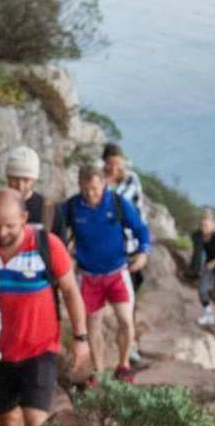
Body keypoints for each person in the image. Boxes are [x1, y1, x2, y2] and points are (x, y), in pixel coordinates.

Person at [0, 188, 88, 426]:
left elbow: (71, 291)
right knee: (8, 421)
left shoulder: (47, 245)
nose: (2, 232)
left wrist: (81, 338)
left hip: (39, 350)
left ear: (24, 218)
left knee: (36, 421)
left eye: (9, 225)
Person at [61, 161, 150, 381]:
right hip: (88, 276)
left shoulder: (118, 203)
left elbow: (141, 229)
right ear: (79, 185)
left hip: (117, 272)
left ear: (104, 184)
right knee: (93, 324)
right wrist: (63, 250)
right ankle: (98, 373)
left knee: (126, 321)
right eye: (86, 189)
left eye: (95, 188)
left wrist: (143, 253)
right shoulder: (72, 207)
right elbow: (55, 230)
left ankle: (123, 365)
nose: (91, 193)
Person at [101, 142, 148, 362]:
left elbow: (138, 214)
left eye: (118, 164)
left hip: (130, 248)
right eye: (110, 164)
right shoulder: (98, 181)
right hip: (106, 250)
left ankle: (130, 346)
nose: (115, 169)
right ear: (104, 163)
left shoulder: (132, 180)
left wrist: (142, 249)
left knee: (129, 299)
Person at [0, 144, 58, 234]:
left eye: (26, 180)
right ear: (8, 177)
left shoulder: (49, 209)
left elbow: (60, 245)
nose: (20, 186)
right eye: (15, 179)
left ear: (34, 180)